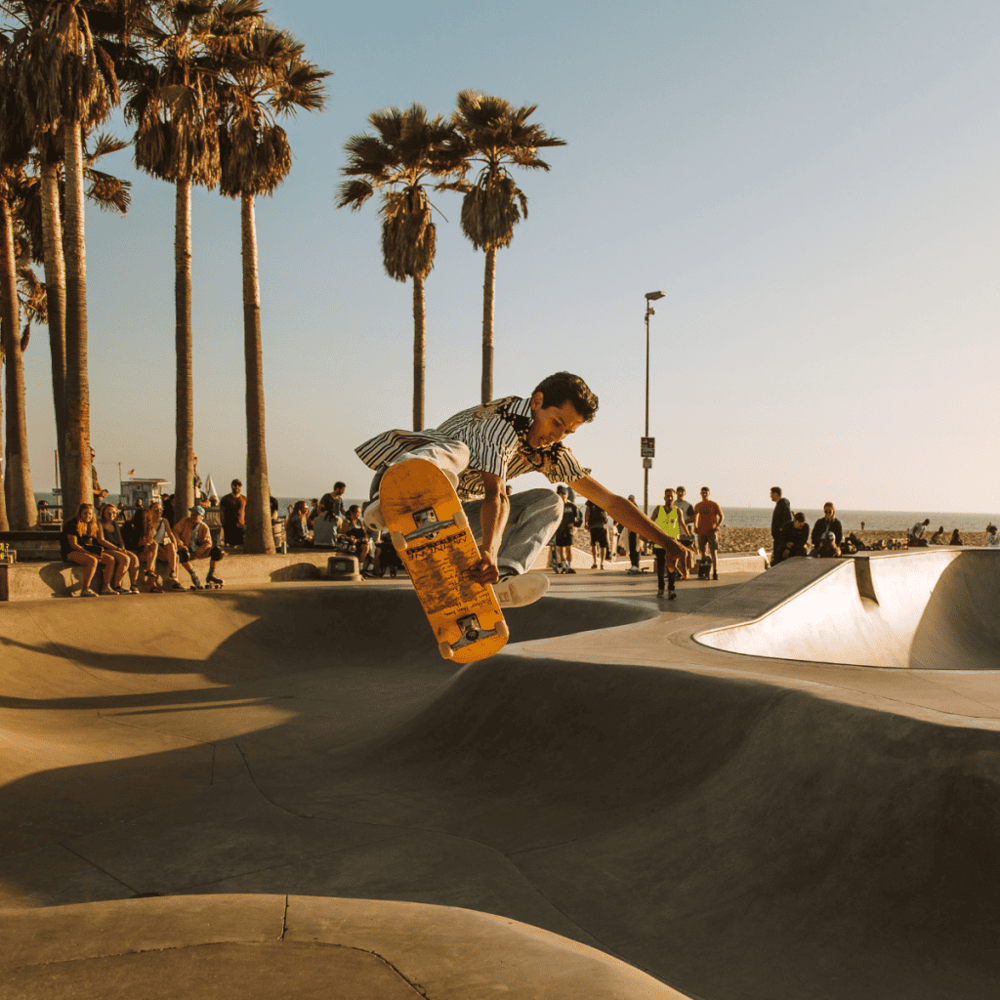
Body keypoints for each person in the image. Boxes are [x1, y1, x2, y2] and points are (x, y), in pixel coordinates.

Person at [356, 371, 691, 608]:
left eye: (568, 432)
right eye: (556, 422)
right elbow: (496, 495)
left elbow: (610, 502)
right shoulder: (503, 423)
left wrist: (666, 540)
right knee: (457, 452)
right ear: (537, 402)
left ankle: (500, 580)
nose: (557, 436)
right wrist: (488, 546)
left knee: (551, 503)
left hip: (451, 517)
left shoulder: (551, 453)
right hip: (397, 484)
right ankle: (390, 505)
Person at [60, 503, 117, 597]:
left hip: (84, 551)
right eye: (85, 513)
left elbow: (88, 544)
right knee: (92, 560)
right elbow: (73, 545)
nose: (87, 516)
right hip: (70, 552)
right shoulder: (72, 524)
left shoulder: (91, 525)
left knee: (110, 559)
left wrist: (95, 552)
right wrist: (90, 553)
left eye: (90, 514)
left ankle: (106, 587)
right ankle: (85, 589)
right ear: (80, 513)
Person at [649, 488, 691, 598]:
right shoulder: (658, 509)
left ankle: (671, 590)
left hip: (673, 544)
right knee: (660, 568)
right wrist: (646, 534)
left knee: (672, 567)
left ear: (674, 497)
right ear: (664, 497)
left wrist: (688, 536)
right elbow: (650, 522)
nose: (670, 498)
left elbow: (682, 524)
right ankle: (661, 588)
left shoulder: (678, 511)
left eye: (672, 496)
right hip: (660, 543)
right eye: (668, 496)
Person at [173, 505, 225, 588]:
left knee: (218, 551)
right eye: (192, 514)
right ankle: (193, 574)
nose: (193, 516)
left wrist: (198, 552)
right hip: (186, 548)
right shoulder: (184, 522)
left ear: (201, 517)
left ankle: (211, 574)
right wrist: (180, 544)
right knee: (183, 553)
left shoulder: (204, 527)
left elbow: (208, 543)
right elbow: (175, 532)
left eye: (196, 515)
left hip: (198, 551)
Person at [98, 503, 141, 593]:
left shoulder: (115, 524)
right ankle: (117, 585)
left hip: (116, 548)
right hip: (105, 549)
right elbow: (101, 540)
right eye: (108, 512)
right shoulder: (100, 523)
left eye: (114, 513)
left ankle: (133, 585)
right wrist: (117, 549)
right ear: (103, 513)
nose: (111, 515)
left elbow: (120, 539)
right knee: (125, 559)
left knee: (134, 558)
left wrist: (122, 547)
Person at [692, 487, 724, 580]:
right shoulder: (698, 505)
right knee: (702, 553)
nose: (704, 494)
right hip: (701, 531)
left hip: (712, 531)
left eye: (706, 493)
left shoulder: (714, 504)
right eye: (702, 493)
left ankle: (715, 571)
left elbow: (721, 516)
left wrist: (718, 525)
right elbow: (695, 517)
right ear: (700, 494)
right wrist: (695, 527)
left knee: (713, 552)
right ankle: (703, 572)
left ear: (709, 493)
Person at [553, 485, 578, 574]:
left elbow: (578, 518)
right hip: (559, 529)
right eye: (561, 494)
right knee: (561, 549)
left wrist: (574, 524)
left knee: (569, 548)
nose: (563, 495)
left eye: (564, 494)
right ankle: (564, 567)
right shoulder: (556, 506)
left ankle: (569, 567)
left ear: (567, 495)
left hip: (569, 530)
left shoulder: (571, 506)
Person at [220, 479, 247, 547]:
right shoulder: (225, 498)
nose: (237, 487)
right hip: (229, 525)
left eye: (239, 485)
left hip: (241, 525)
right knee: (231, 545)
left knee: (242, 544)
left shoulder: (244, 498)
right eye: (235, 485)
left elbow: (247, 511)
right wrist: (223, 523)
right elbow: (221, 512)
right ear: (231, 486)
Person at [770, 487, 792, 566]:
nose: (770, 496)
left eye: (771, 494)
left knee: (778, 561)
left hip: (781, 539)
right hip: (778, 538)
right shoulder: (780, 505)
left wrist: (782, 535)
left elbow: (787, 522)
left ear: (776, 494)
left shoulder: (783, 506)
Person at [586, 498, 609, 570]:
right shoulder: (590, 500)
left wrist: (586, 523)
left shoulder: (602, 500)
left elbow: (587, 512)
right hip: (595, 525)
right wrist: (586, 522)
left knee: (600, 545)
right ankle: (597, 563)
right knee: (596, 545)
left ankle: (600, 563)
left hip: (600, 525)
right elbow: (587, 512)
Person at [624, 494, 641, 574]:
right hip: (630, 530)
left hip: (634, 530)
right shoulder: (628, 507)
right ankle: (633, 564)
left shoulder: (634, 507)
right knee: (631, 548)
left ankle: (636, 565)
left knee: (635, 548)